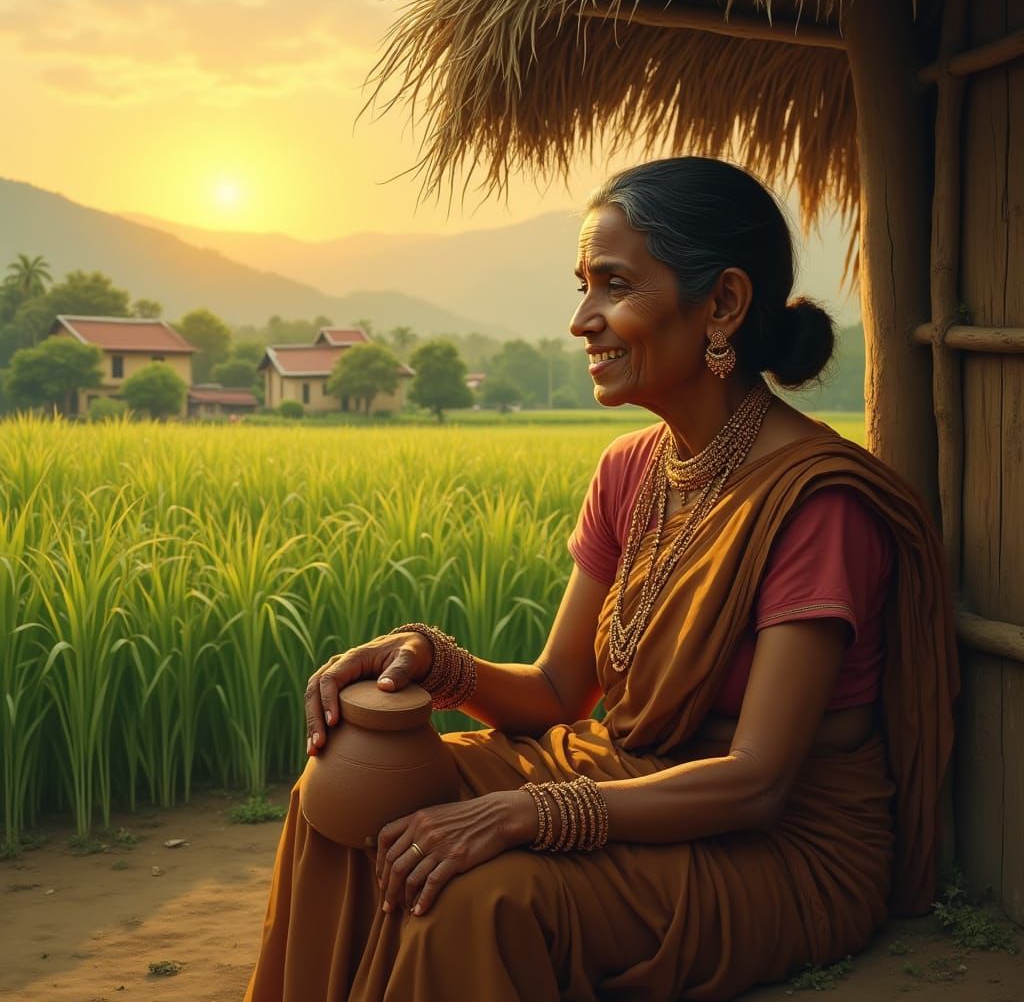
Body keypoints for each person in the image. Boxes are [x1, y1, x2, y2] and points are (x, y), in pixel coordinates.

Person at [245, 157, 958, 1001]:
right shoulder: (630, 471)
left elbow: (757, 781)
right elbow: (557, 690)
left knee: (475, 897)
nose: (583, 319)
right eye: (583, 286)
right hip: (625, 768)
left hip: (780, 845)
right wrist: (437, 663)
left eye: (614, 285)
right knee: (343, 791)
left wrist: (529, 813)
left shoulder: (816, 505)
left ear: (723, 304)